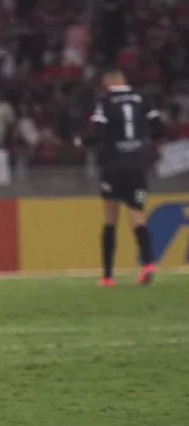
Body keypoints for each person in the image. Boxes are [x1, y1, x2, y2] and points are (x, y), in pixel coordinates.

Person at [74, 69, 163, 287]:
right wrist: (142, 142)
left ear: (108, 82)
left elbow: (97, 133)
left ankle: (107, 276)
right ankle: (148, 265)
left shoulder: (104, 100)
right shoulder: (142, 97)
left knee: (110, 219)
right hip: (137, 165)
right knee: (137, 216)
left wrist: (80, 142)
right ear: (124, 80)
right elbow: (159, 128)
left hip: (113, 165)